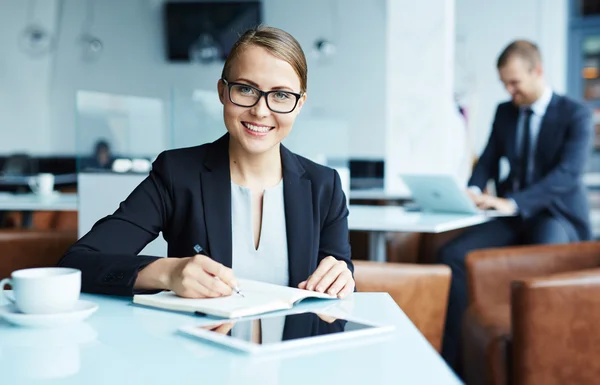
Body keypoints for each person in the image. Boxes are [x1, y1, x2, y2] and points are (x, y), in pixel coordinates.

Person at [58, 26, 355, 301]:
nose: (261, 111)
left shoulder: (324, 186)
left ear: (299, 104)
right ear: (223, 92)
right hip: (199, 352)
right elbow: (78, 262)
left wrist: (342, 277)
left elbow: (337, 277)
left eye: (280, 95)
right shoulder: (177, 173)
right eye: (246, 89)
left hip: (293, 352)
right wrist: (167, 273)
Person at [438, 40, 593, 371]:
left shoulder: (575, 114)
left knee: (542, 251)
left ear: (537, 71)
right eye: (505, 84)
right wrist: (474, 188)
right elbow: (489, 158)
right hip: (511, 214)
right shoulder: (505, 111)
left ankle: (537, 359)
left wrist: (512, 202)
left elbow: (567, 175)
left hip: (556, 213)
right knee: (452, 255)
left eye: (515, 82)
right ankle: (453, 363)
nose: (510, 91)